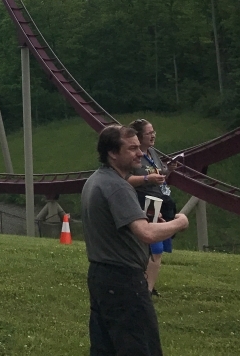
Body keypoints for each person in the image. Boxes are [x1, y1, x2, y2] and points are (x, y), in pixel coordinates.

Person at [82, 125, 189, 356]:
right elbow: (146, 234)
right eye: (132, 149)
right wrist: (180, 222)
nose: (140, 153)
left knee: (105, 348)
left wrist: (147, 219)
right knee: (141, 347)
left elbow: (120, 224)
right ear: (113, 152)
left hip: (101, 277)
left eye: (139, 148)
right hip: (124, 280)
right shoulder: (118, 187)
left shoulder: (95, 180)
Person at [126, 119, 179, 295]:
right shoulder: (132, 156)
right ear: (139, 137)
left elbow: (159, 175)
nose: (153, 135)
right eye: (149, 133)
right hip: (142, 203)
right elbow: (124, 180)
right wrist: (147, 179)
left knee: (158, 248)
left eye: (153, 132)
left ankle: (148, 287)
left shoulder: (153, 153)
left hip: (159, 203)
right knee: (150, 246)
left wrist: (168, 170)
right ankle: (145, 288)